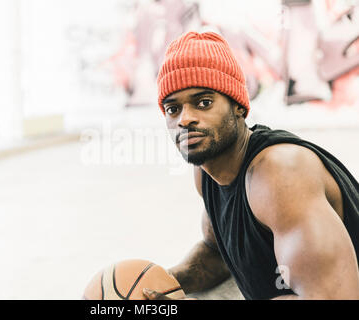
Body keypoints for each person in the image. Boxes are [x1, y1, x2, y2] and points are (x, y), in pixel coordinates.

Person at [142, 31, 359, 300]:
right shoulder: (207, 170)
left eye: (204, 103)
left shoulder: (280, 174)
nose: (185, 119)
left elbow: (332, 298)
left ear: (239, 107)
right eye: (173, 109)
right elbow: (218, 254)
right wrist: (164, 284)